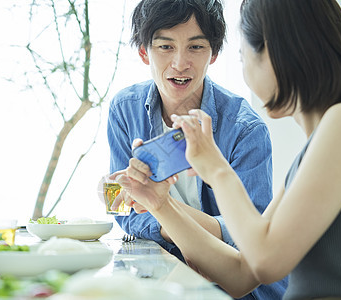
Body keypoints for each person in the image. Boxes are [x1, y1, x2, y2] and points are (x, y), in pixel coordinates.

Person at [117, 0, 341, 298]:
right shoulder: (320, 145)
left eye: (243, 56)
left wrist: (216, 168)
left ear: (276, 53)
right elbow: (241, 275)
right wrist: (159, 204)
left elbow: (265, 263)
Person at [106, 0, 288, 298]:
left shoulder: (245, 128)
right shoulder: (125, 109)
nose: (179, 63)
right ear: (143, 52)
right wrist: (143, 204)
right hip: (162, 275)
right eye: (165, 47)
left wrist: (158, 209)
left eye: (195, 47)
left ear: (214, 54)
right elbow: (121, 206)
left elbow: (247, 234)